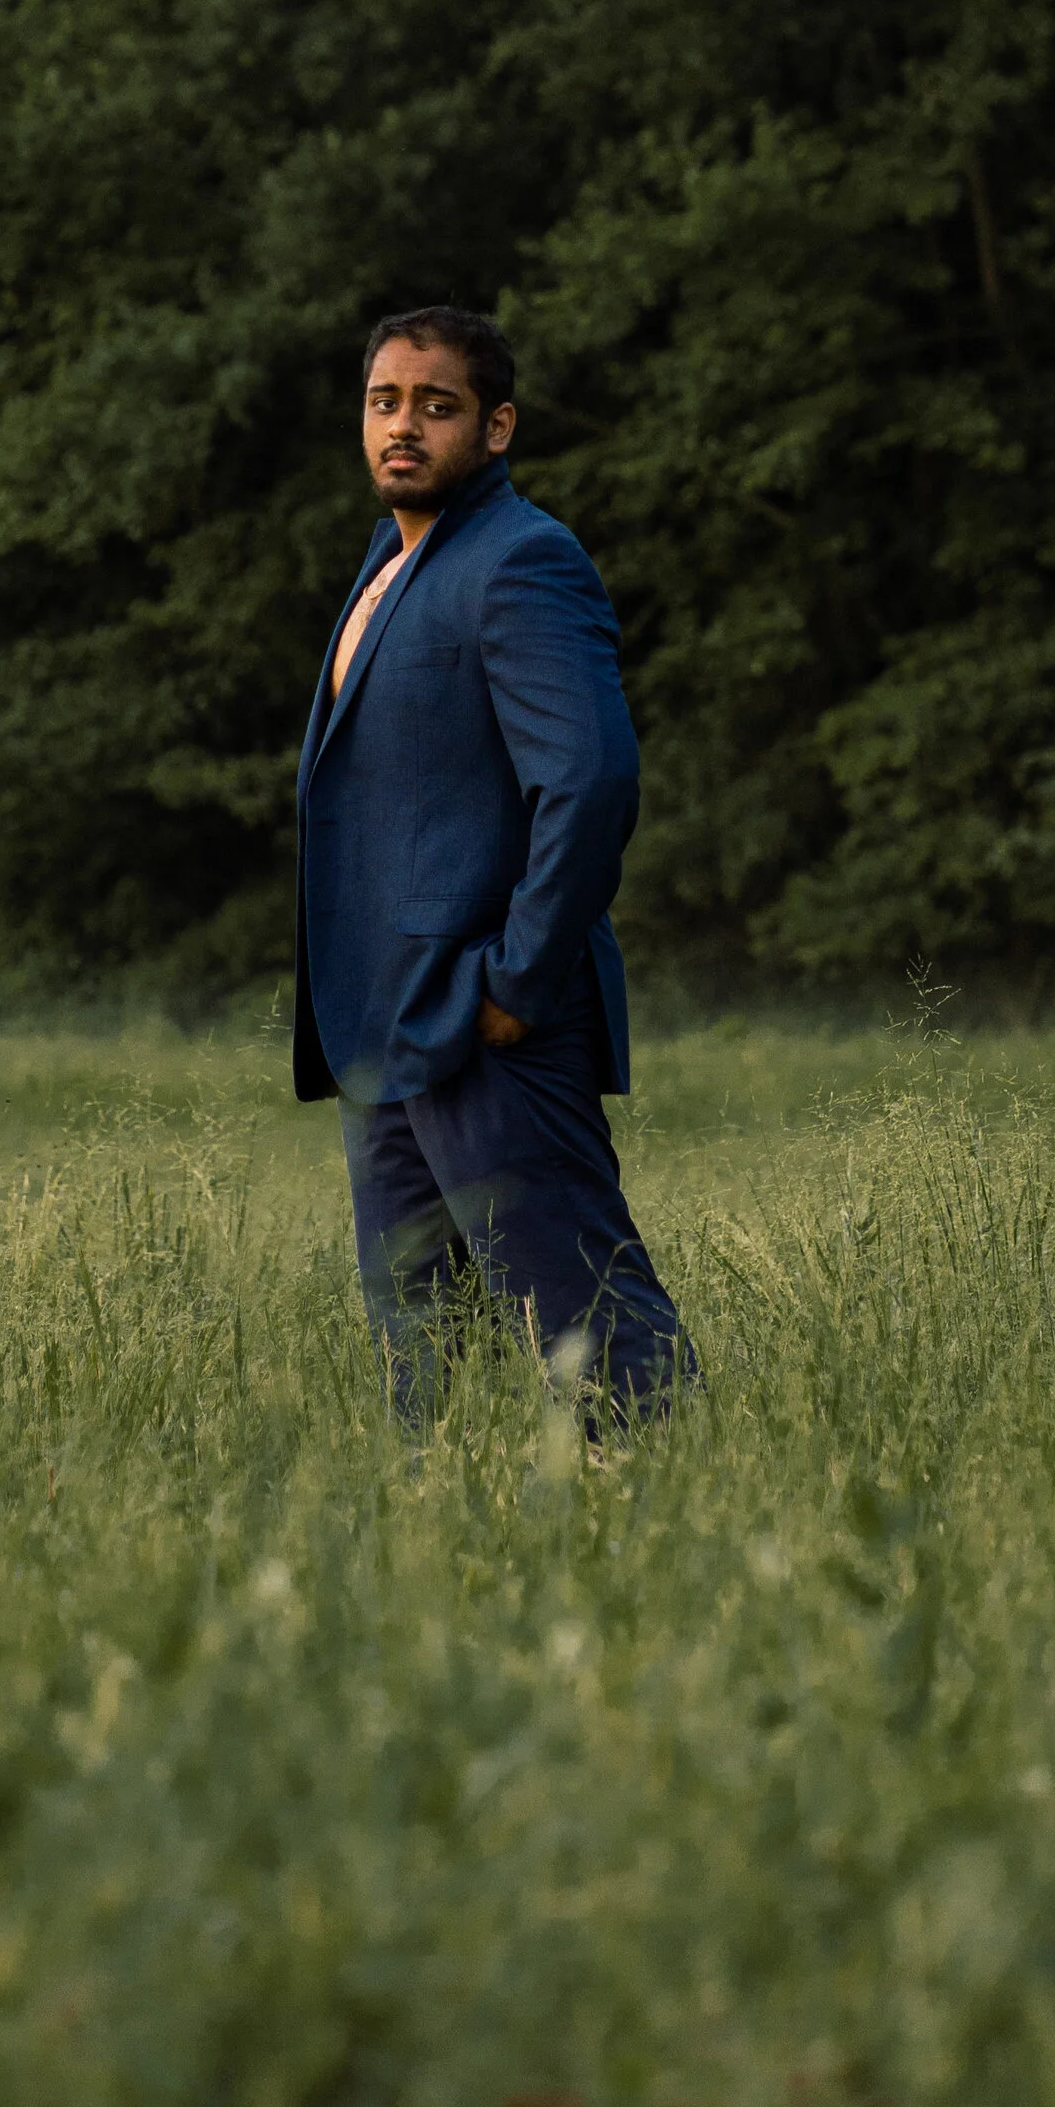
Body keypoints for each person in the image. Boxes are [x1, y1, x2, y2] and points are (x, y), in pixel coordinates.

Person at [293, 302, 692, 1423]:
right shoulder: (391, 558)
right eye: (384, 402)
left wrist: (516, 980)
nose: (403, 427)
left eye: (436, 405)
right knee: (426, 1369)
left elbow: (591, 780)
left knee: (593, 1328)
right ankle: (447, 1561)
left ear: (497, 426)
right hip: (382, 1029)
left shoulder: (523, 559)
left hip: (486, 1021)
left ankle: (670, 1528)